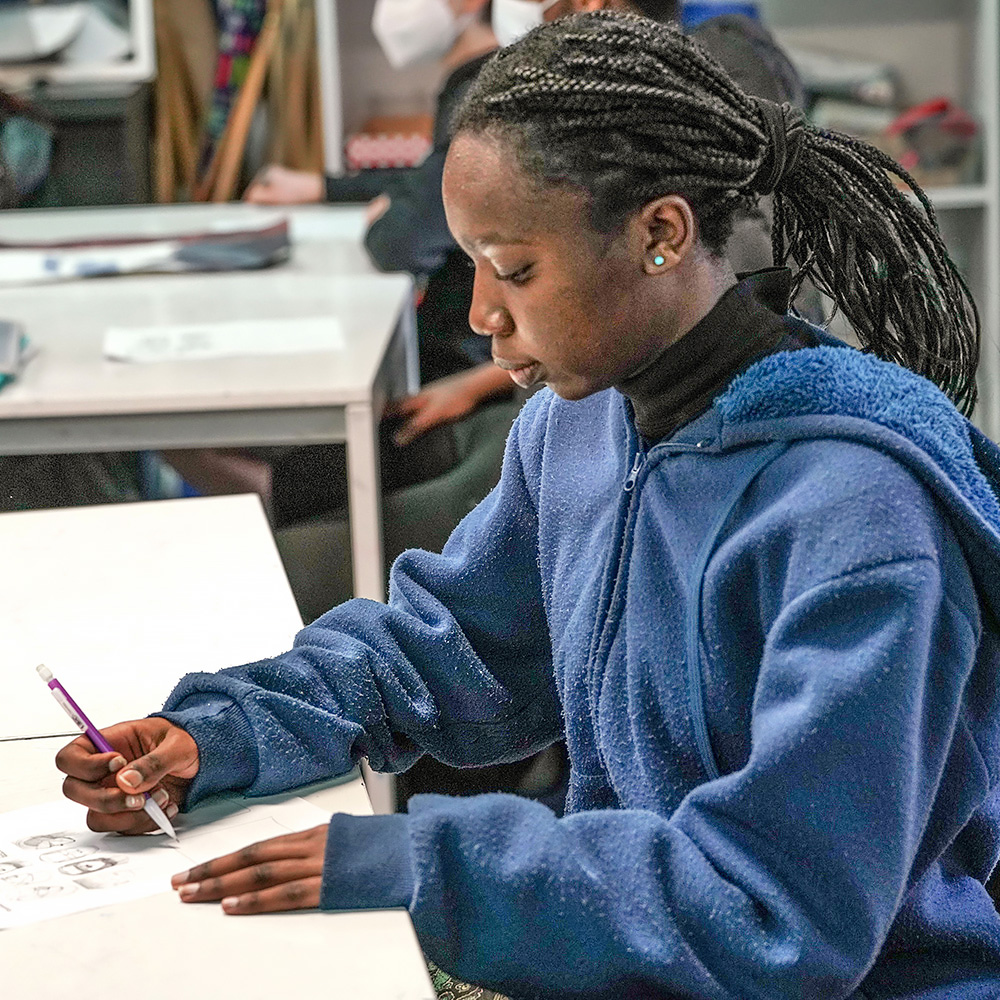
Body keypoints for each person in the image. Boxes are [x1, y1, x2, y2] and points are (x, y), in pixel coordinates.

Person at [56, 11, 1000, 1000]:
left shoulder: (858, 515)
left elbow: (778, 916)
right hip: (645, 955)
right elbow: (451, 650)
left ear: (660, 235)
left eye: (514, 270)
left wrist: (428, 865)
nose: (480, 315)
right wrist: (225, 733)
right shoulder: (579, 427)